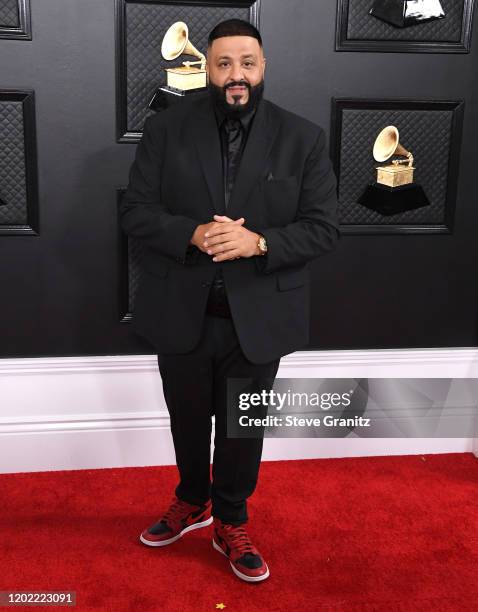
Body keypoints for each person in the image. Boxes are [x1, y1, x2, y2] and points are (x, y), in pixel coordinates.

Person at [119, 18, 340, 583]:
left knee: (243, 427)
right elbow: (136, 213)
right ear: (208, 70)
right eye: (223, 64)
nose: (235, 74)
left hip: (260, 317)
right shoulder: (165, 130)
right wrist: (193, 233)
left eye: (247, 62)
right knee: (187, 420)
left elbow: (323, 229)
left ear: (263, 67)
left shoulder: (304, 137)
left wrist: (258, 241)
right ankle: (192, 501)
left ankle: (232, 519)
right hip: (181, 311)